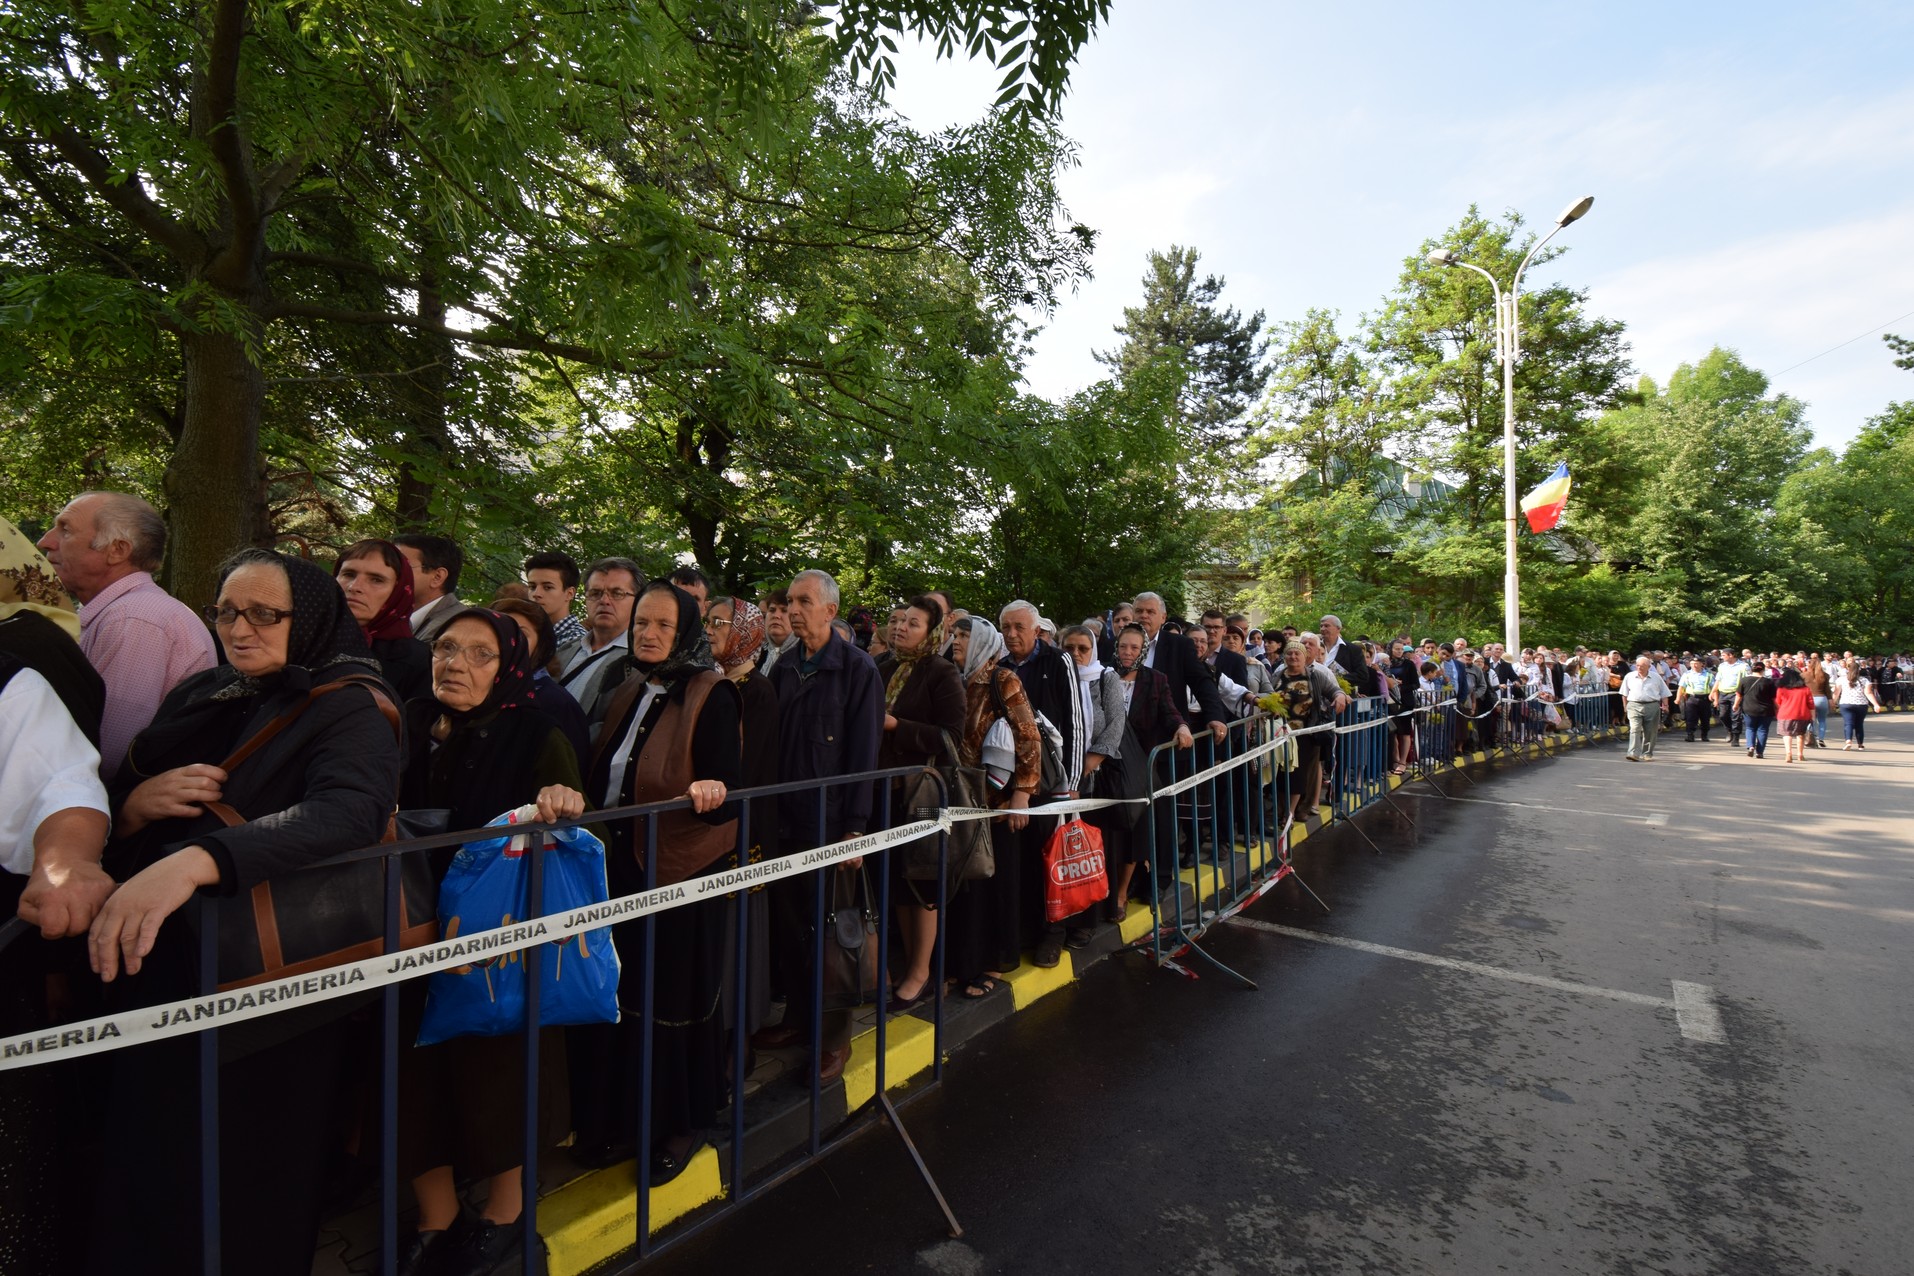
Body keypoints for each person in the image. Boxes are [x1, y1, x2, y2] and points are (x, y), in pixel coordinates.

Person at [85, 549, 400, 1275]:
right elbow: (130, 782)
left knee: (244, 1173)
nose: (239, 628)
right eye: (227, 610)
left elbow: (349, 812)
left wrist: (200, 861)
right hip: (167, 960)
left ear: (311, 619)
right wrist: (133, 809)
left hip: (267, 986)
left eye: (265, 614)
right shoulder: (211, 690)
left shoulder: (352, 703)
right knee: (152, 1151)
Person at [396, 608, 588, 1276]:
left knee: (499, 1071)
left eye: (479, 654)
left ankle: (505, 1213)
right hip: (409, 928)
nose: (455, 663)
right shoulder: (409, 723)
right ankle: (436, 1213)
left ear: (506, 665)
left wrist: (562, 806)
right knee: (410, 1067)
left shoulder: (536, 731)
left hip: (498, 939)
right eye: (446, 647)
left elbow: (586, 831)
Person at [573, 581, 741, 1181]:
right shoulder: (629, 688)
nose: (647, 633)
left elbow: (727, 792)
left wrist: (711, 791)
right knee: (623, 998)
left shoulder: (711, 693)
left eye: (663, 625)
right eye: (642, 621)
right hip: (619, 869)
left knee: (671, 1001)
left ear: (687, 631)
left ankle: (681, 1123)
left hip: (680, 873)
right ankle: (623, 1120)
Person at [761, 570, 882, 1082]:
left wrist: (855, 829)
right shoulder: (783, 667)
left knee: (835, 936)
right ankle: (796, 1019)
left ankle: (833, 1042)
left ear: (831, 610)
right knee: (789, 931)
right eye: (789, 601)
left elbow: (864, 756)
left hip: (831, 827)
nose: (792, 609)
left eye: (803, 601)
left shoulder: (857, 670)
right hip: (783, 824)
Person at [36, 490, 216, 778]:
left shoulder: (134, 618)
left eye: (65, 530)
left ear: (117, 550)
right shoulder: (127, 612)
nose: (45, 541)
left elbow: (107, 757)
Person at [874, 596, 965, 1003]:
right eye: (898, 621)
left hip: (929, 792)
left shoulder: (942, 672)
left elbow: (951, 737)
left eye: (913, 623)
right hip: (887, 789)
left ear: (932, 632)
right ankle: (911, 962)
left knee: (925, 879)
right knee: (897, 880)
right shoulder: (883, 667)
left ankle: (922, 971)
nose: (901, 628)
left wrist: (898, 726)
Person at [943, 617, 1040, 999]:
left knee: (997, 883)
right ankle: (963, 962)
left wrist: (1022, 796)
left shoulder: (1002, 680)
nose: (957, 640)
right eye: (956, 633)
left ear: (983, 641)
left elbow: (1028, 736)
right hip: (961, 801)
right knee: (966, 888)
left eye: (965, 635)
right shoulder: (954, 678)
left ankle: (994, 962)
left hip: (997, 803)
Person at [705, 595, 778, 1039]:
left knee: (738, 934)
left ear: (746, 631)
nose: (710, 630)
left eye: (720, 622)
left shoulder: (758, 692)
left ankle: (738, 1035)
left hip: (743, 830)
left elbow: (746, 767)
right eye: (708, 622)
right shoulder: (711, 683)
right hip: (715, 826)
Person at [999, 600, 1086, 969]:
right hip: (1014, 782)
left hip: (1054, 783)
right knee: (1022, 862)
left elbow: (1076, 720)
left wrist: (1074, 781)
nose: (1012, 634)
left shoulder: (1057, 661)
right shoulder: (999, 668)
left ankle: (1055, 933)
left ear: (1037, 630)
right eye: (1006, 628)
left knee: (1054, 859)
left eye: (1019, 627)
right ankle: (1025, 931)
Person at [1104, 624, 1190, 917]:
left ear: (1143, 651)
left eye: (1134, 648)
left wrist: (1181, 727)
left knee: (1135, 832)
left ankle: (1121, 894)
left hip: (1138, 767)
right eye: (1123, 646)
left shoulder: (1155, 679)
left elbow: (1169, 711)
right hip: (1105, 766)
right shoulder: (1103, 676)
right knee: (1108, 833)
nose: (1127, 653)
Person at [1058, 623, 1126, 945]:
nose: (1075, 654)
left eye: (1082, 648)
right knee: (1065, 852)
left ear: (1093, 650)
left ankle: (1088, 920)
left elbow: (1116, 722)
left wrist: (1090, 762)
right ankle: (1064, 913)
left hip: (1094, 778)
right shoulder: (1058, 678)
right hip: (1061, 777)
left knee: (1092, 849)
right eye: (1068, 647)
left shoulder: (1105, 678)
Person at [489, 595, 593, 765]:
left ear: (540, 646)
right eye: (498, 632)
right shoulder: (473, 691)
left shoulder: (556, 704)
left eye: (521, 634)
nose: (508, 641)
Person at [333, 537, 433, 702]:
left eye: (376, 580)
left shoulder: (417, 661)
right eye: (348, 574)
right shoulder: (303, 638)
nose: (355, 587)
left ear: (398, 591)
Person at [560, 557, 644, 736]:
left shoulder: (640, 661)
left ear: (638, 602)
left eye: (617, 593)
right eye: (596, 593)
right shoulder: (563, 651)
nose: (604, 601)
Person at [1271, 641, 1346, 821]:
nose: (1293, 657)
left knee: (1300, 775)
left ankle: (1292, 811)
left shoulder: (1315, 676)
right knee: (1281, 774)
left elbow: (1333, 689)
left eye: (1298, 654)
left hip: (1306, 734)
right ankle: (1282, 809)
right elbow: (1266, 693)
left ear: (1305, 657)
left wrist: (1340, 696)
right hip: (1280, 734)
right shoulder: (1277, 675)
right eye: (1289, 654)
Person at [393, 533, 466, 642]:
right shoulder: (395, 616)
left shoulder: (456, 626)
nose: (387, 574)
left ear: (437, 577)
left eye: (399, 566)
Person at [524, 550, 586, 667]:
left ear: (569, 593)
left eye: (547, 587)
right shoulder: (526, 633)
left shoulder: (577, 642)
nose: (536, 594)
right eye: (532, 587)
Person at [1621, 655, 1671, 761]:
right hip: (1634, 704)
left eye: (1643, 665)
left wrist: (1665, 705)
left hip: (1652, 705)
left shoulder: (1656, 677)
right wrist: (1625, 707)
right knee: (1634, 729)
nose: (1639, 667)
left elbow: (1664, 692)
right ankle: (1633, 753)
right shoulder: (1629, 676)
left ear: (1649, 666)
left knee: (1650, 731)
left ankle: (1647, 753)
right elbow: (1624, 693)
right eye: (1638, 665)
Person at [1833, 657, 1882, 749]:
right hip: (1861, 705)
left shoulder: (1841, 680)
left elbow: (1836, 693)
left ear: (1847, 669)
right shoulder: (1864, 680)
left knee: (1848, 723)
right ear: (1859, 669)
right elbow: (1868, 693)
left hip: (1846, 704)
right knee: (1859, 724)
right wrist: (1875, 704)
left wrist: (1832, 703)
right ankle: (1860, 744)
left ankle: (1848, 741)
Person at [1734, 660, 1778, 759]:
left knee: (1750, 728)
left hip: (1749, 708)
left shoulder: (1744, 680)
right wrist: (1778, 708)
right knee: (1762, 730)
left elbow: (1739, 695)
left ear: (1752, 669)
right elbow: (1774, 698)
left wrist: (1736, 705)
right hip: (1766, 710)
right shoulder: (1769, 682)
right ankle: (1760, 752)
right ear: (1763, 669)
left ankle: (1751, 746)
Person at [1774, 665, 1814, 765]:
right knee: (1800, 734)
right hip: (1802, 714)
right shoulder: (1806, 689)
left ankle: (1788, 753)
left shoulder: (1781, 689)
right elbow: (1811, 704)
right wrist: (1813, 716)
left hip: (1785, 714)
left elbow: (1778, 702)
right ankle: (1800, 754)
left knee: (1787, 734)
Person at [758, 587, 797, 676]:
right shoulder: (756, 656)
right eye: (772, 610)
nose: (776, 616)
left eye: (784, 610)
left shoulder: (804, 656)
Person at [1676, 657, 1715, 743]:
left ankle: (1704, 735)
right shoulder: (1687, 674)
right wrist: (1678, 699)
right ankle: (1690, 735)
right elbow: (1681, 687)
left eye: (1696, 663)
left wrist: (1715, 699)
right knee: (1690, 717)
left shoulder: (1709, 675)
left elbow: (1713, 688)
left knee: (1705, 718)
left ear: (1702, 664)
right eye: (1692, 663)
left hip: (1705, 698)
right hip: (1691, 698)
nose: (1694, 665)